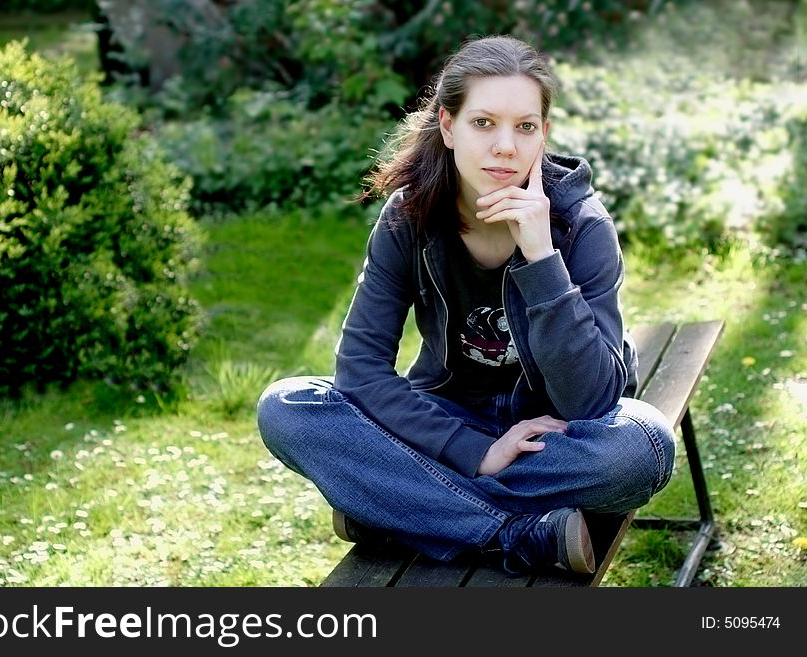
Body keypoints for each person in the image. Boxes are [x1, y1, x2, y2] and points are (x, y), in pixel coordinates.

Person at [256, 35, 676, 576]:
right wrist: (475, 451)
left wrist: (541, 256)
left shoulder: (581, 226)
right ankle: (512, 535)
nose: (506, 146)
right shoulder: (409, 218)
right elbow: (361, 371)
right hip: (450, 413)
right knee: (287, 407)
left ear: (543, 134)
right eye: (484, 123)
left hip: (555, 433)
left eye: (525, 127)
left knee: (642, 447)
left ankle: (399, 507)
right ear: (448, 126)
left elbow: (591, 402)